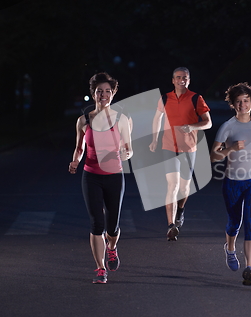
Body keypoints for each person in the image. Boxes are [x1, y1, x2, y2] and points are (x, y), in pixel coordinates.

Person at [68, 72, 133, 284]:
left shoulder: (121, 120)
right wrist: (75, 161)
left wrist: (126, 154)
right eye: (99, 91)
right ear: (93, 94)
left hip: (114, 175)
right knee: (97, 223)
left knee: (112, 226)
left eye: (107, 91)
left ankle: (112, 247)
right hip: (91, 176)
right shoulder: (83, 121)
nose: (103, 95)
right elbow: (79, 148)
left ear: (113, 94)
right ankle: (100, 268)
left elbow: (129, 149)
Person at [210, 82, 251, 286]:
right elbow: (213, 157)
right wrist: (230, 150)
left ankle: (250, 268)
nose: (242, 105)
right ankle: (229, 249)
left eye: (246, 101)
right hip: (233, 181)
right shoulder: (227, 127)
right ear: (233, 104)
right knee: (234, 222)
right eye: (238, 101)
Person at [149, 67, 212, 241]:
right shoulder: (164, 98)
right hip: (169, 147)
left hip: (189, 148)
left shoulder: (195, 98)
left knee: (184, 189)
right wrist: (154, 139)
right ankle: (171, 226)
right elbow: (157, 119)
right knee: (172, 185)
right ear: (173, 80)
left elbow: (208, 123)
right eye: (178, 78)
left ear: (189, 80)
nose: (181, 80)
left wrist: (192, 126)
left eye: (184, 78)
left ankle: (180, 211)